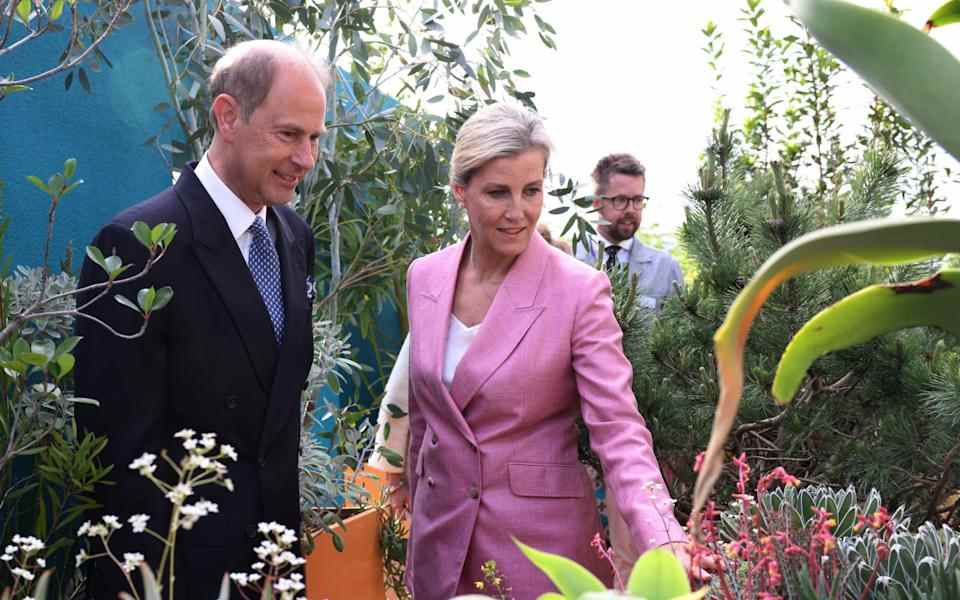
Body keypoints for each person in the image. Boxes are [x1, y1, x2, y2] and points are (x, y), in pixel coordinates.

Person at [398, 103, 687, 600]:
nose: (519, 212)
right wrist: (410, 484)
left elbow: (618, 429)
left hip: (539, 553)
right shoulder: (424, 277)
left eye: (531, 191)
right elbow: (429, 410)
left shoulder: (579, 291)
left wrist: (662, 534)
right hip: (439, 547)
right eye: (497, 193)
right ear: (461, 192)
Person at [74, 40, 326, 599]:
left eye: (314, 139)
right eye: (289, 135)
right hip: (173, 572)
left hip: (272, 566)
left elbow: (275, 424)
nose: (306, 159)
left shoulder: (295, 240)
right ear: (228, 115)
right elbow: (116, 453)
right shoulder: (136, 247)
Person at [575, 153, 684, 310]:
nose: (631, 210)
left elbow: (679, 329)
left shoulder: (665, 268)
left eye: (638, 200)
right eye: (621, 200)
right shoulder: (569, 260)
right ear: (597, 203)